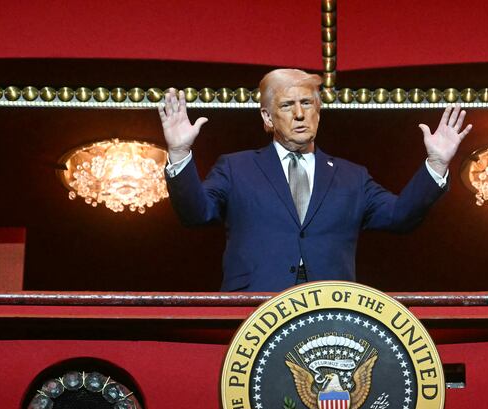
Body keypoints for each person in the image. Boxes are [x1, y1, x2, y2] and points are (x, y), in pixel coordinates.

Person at [159, 69, 471, 292]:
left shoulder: (352, 176)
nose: (299, 114)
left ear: (318, 112)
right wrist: (179, 152)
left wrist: (436, 163)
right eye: (286, 105)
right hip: (254, 309)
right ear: (268, 118)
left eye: (307, 104)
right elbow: (195, 214)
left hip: (330, 310)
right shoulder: (236, 167)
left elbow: (400, 216)